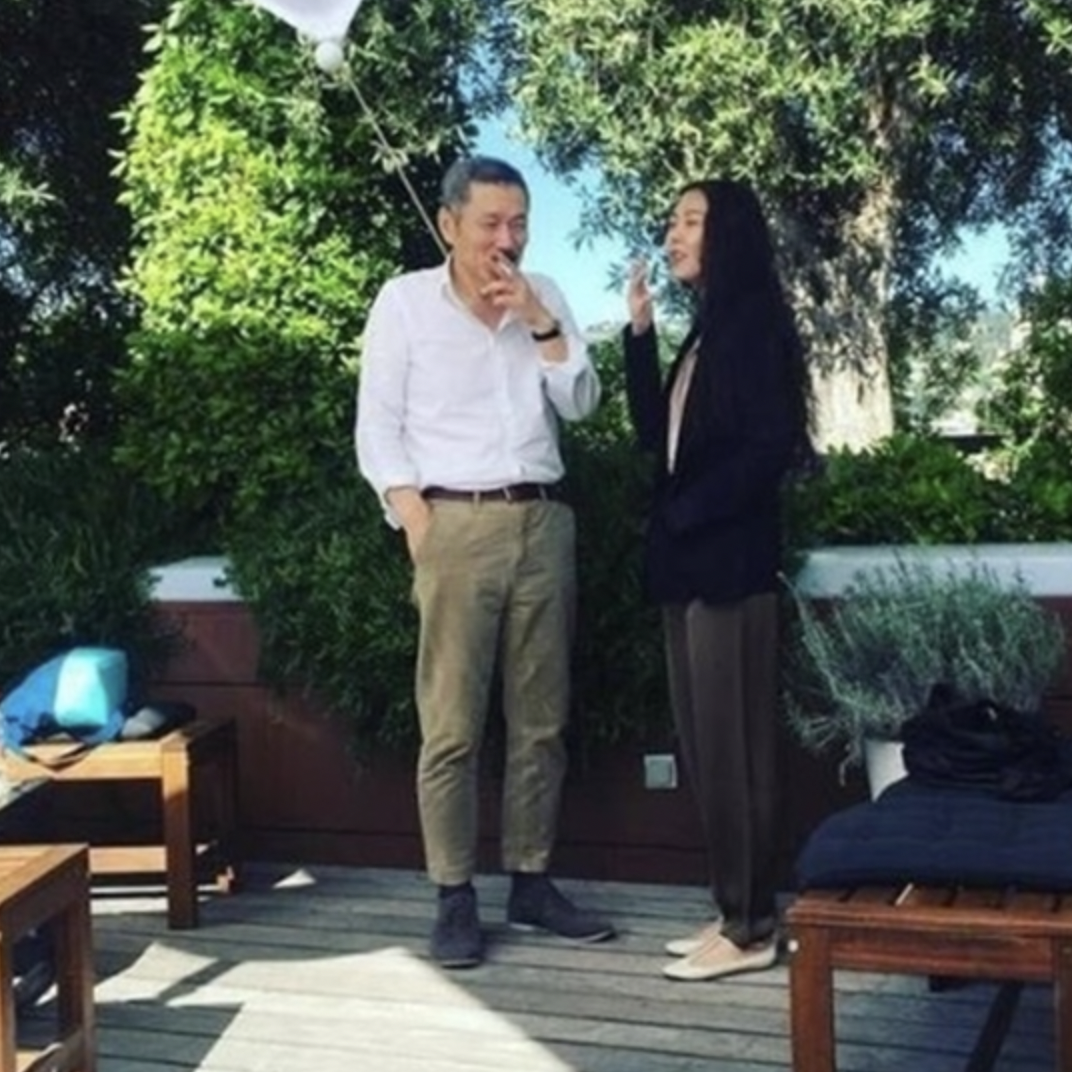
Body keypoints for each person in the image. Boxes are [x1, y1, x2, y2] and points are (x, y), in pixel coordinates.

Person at [355, 155, 613, 969]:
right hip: (453, 523)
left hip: (541, 519)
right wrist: (416, 520)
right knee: (452, 725)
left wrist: (540, 322)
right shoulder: (405, 302)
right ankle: (454, 896)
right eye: (491, 222)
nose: (507, 239)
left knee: (542, 719)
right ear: (449, 224)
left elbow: (583, 403)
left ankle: (531, 882)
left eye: (519, 223)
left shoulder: (546, 294)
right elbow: (377, 425)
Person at [623, 179, 814, 982]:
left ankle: (751, 926)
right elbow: (653, 437)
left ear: (727, 233)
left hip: (729, 568)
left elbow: (771, 447)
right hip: (690, 567)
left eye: (690, 221)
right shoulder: (707, 331)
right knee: (706, 748)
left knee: (735, 751)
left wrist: (689, 513)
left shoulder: (755, 324)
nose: (673, 234)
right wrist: (640, 334)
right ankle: (736, 906)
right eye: (672, 221)